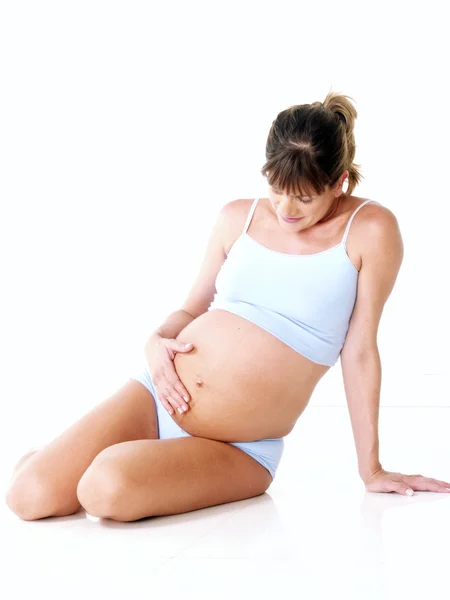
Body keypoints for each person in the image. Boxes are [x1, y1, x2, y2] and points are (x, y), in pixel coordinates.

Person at [7, 90, 450, 522]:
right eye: (277, 189)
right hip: (155, 395)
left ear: (340, 182)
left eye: (305, 196)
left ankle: (113, 463)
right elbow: (190, 310)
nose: (286, 207)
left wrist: (370, 468)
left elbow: (360, 351)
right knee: (28, 497)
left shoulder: (369, 229)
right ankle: (58, 462)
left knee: (103, 489)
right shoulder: (236, 217)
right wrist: (155, 340)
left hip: (239, 445)